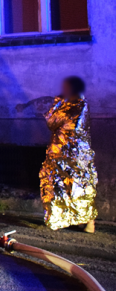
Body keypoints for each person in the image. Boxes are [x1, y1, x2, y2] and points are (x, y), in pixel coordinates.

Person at [41, 76, 97, 233]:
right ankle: (75, 220)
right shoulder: (79, 104)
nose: (62, 89)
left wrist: (56, 103)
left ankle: (85, 221)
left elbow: (51, 122)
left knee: (74, 185)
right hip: (72, 152)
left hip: (69, 152)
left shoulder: (73, 105)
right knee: (70, 184)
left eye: (65, 87)